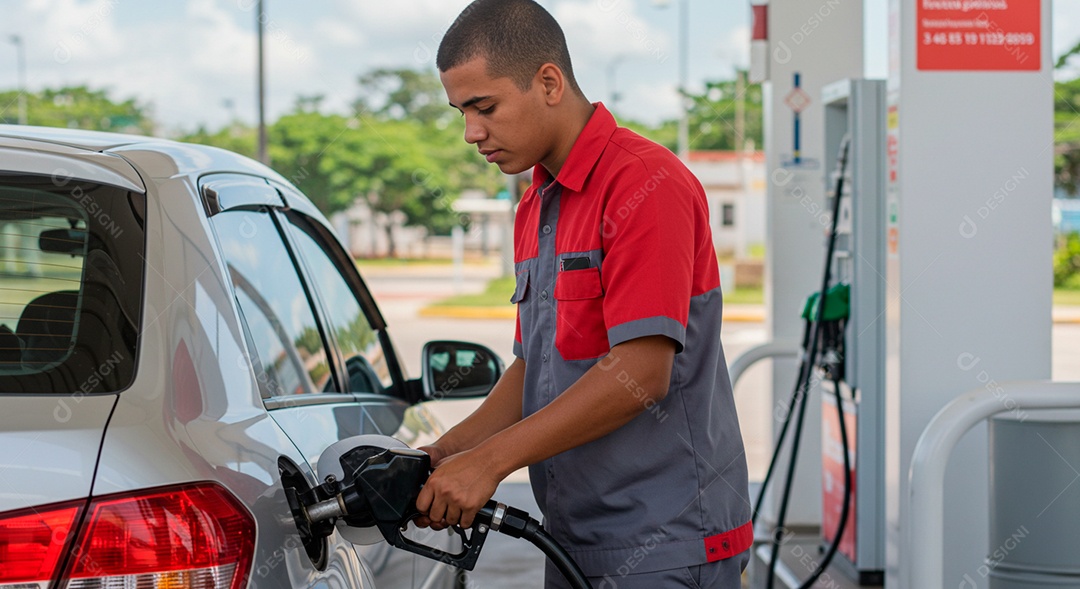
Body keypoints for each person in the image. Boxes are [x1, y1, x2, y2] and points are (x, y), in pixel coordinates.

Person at [415, 1, 752, 586]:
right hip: (574, 536)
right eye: (460, 112)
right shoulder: (535, 204)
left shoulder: (647, 185)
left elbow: (641, 374)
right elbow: (534, 366)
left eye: (484, 107)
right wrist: (446, 455)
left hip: (666, 541)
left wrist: (491, 464)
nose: (471, 133)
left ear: (549, 81)